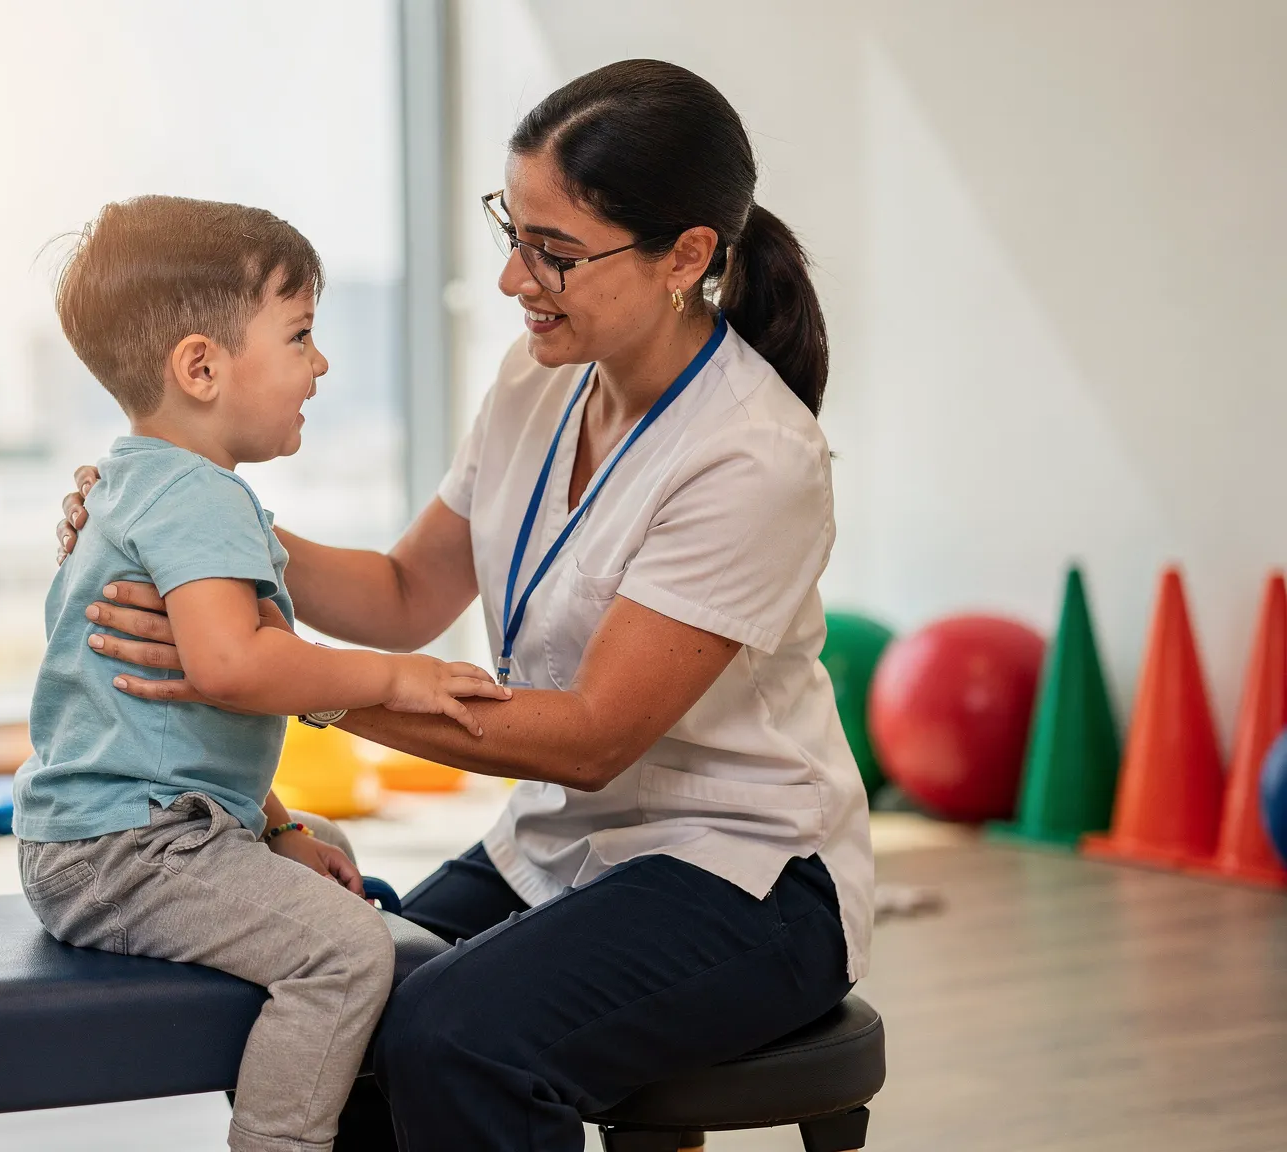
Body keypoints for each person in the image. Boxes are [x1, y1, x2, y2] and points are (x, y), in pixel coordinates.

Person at [52, 61, 873, 1152]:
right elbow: (402, 596)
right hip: (561, 846)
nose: (512, 280)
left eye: (555, 252)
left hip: (740, 870)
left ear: (685, 256)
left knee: (452, 1036)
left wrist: (289, 678)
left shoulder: (751, 456)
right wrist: (184, 539)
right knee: (343, 985)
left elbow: (589, 738)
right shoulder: (537, 380)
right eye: (512, 230)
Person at [14, 194, 510, 1152]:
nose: (319, 365)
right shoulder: (199, 499)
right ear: (200, 366)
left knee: (321, 845)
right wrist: (398, 679)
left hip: (110, 833)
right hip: (129, 852)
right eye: (299, 335)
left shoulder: (136, 482)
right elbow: (232, 668)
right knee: (346, 948)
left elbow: (185, 725)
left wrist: (274, 824)